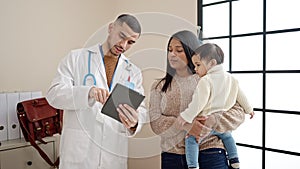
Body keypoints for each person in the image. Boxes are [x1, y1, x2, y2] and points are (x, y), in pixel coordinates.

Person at [46, 14, 147, 169]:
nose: (124, 45)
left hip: (113, 155)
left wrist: (135, 122)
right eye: (122, 36)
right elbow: (54, 95)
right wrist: (88, 92)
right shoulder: (76, 58)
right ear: (111, 28)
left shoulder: (133, 72)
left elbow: (141, 110)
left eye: (131, 42)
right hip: (80, 155)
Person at [149, 30, 246, 169]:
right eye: (169, 50)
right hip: (172, 157)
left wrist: (211, 121)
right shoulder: (158, 86)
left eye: (179, 50)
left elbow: (239, 112)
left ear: (191, 52)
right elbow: (155, 121)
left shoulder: (209, 80)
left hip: (211, 153)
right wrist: (187, 125)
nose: (172, 54)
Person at [177, 43, 255, 169]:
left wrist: (186, 116)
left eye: (198, 65)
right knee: (228, 137)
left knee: (191, 139)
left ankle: (192, 166)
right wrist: (249, 109)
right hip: (221, 124)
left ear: (212, 63)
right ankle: (234, 160)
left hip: (204, 122)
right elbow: (241, 96)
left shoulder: (206, 81)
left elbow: (198, 103)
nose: (195, 69)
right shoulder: (231, 79)